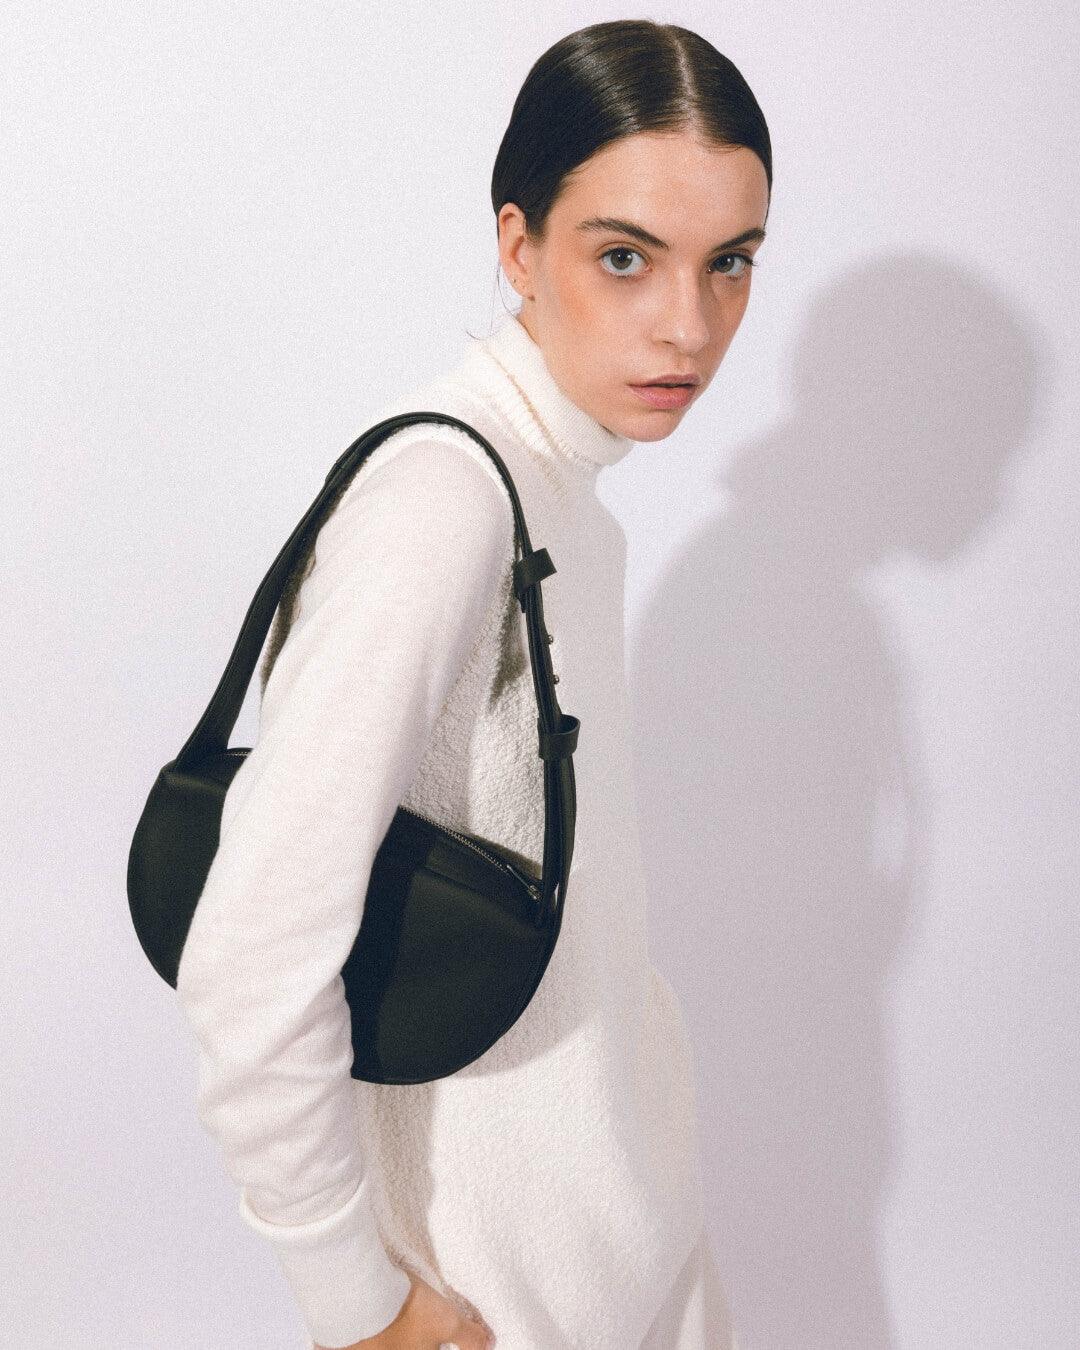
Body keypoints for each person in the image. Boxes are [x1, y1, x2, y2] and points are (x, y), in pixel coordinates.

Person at [175, 18, 770, 1349]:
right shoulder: (445, 506)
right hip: (487, 1301)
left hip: (626, 1247)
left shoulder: (567, 494)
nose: (690, 325)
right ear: (519, 246)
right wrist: (356, 1297)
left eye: (730, 262)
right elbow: (250, 954)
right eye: (625, 257)